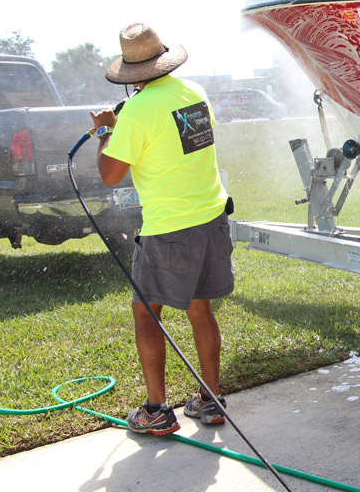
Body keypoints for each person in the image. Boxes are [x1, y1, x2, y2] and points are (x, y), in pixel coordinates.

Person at [90, 23, 234, 436]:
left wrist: (104, 130)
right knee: (199, 306)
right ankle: (211, 400)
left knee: (146, 313)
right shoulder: (193, 92)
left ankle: (156, 410)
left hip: (170, 229)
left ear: (131, 74)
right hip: (211, 218)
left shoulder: (136, 111)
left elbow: (110, 175)